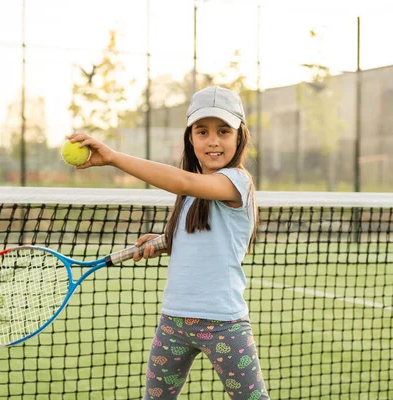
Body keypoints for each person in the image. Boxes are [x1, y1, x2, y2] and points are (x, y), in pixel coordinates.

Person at [68, 86, 269, 400]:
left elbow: (187, 181)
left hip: (223, 324)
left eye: (224, 131)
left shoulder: (237, 182)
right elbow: (204, 233)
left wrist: (113, 157)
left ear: (239, 136)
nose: (213, 140)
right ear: (190, 138)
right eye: (203, 131)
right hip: (173, 323)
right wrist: (165, 241)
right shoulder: (190, 196)